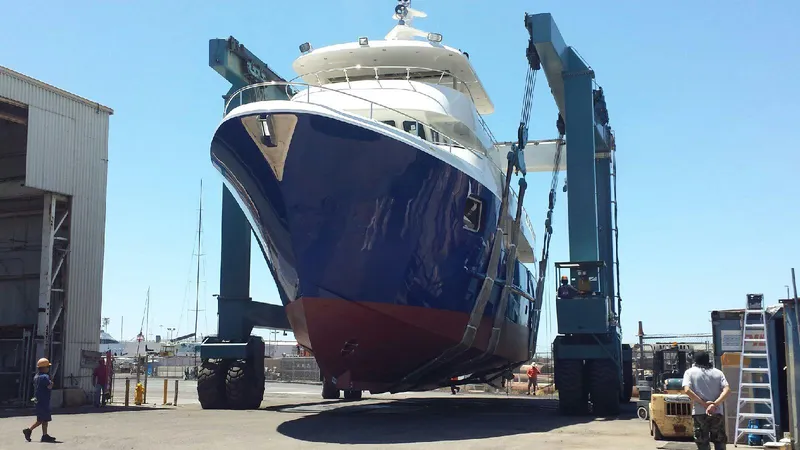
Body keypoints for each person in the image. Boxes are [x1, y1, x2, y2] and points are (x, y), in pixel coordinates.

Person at [682, 350, 731, 450]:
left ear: (695, 361)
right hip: (717, 412)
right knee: (719, 440)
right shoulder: (718, 373)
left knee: (702, 442)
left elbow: (687, 390)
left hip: (699, 412)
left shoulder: (689, 372)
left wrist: (704, 404)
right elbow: (727, 390)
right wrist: (714, 404)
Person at [22, 358, 56, 443]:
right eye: (48, 366)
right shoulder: (45, 377)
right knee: (41, 419)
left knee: (45, 419)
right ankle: (29, 430)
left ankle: (45, 435)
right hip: (43, 400)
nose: (48, 368)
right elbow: (49, 386)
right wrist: (51, 381)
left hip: (38, 400)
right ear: (44, 367)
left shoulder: (36, 376)